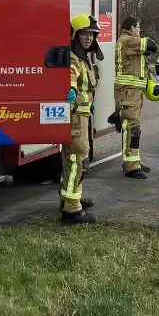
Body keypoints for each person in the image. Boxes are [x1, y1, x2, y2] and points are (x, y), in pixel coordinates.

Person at [60, 13, 101, 224]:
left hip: (81, 116)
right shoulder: (75, 59)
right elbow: (70, 78)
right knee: (77, 161)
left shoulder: (84, 57)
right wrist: (72, 92)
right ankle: (72, 210)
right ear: (75, 35)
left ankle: (70, 198)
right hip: (76, 118)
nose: (88, 38)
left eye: (92, 35)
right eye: (84, 34)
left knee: (71, 161)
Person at [112, 16, 156, 179]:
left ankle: (133, 160)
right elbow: (152, 45)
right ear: (130, 28)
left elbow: (141, 68)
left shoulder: (130, 43)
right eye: (138, 28)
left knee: (133, 127)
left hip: (133, 92)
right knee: (132, 127)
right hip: (128, 92)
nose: (139, 31)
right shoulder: (128, 41)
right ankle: (131, 166)